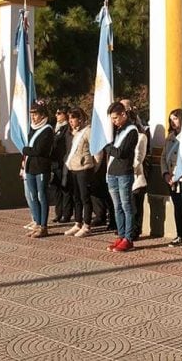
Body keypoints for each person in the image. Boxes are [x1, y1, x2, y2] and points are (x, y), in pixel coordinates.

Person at [105, 101, 138, 252]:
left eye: (116, 118)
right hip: (112, 173)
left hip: (124, 173)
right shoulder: (118, 131)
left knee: (126, 206)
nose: (114, 121)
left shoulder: (131, 131)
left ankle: (128, 238)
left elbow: (121, 153)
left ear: (123, 114)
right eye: (112, 119)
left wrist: (107, 147)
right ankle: (121, 234)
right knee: (117, 206)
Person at [63, 108, 97, 238]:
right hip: (73, 168)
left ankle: (87, 225)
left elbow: (96, 151)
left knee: (85, 197)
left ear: (80, 119)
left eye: (73, 118)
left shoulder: (88, 131)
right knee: (76, 197)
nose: (71, 121)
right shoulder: (75, 133)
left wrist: (92, 165)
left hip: (84, 169)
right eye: (69, 119)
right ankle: (78, 222)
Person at [22, 101, 53, 237]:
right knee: (33, 196)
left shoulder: (47, 129)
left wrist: (26, 150)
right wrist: (29, 151)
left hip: (41, 168)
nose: (33, 117)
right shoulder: (32, 129)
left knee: (42, 196)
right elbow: (31, 149)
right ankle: (37, 223)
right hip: (30, 168)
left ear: (42, 115)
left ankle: (43, 226)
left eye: (36, 114)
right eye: (32, 114)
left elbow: (39, 150)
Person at [162, 109, 182, 246]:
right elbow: (164, 157)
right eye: (171, 120)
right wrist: (165, 174)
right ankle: (179, 233)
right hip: (170, 176)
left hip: (181, 176)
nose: (173, 122)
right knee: (177, 206)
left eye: (175, 119)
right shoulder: (170, 137)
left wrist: (177, 174)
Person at [50, 107, 73, 224]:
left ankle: (66, 213)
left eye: (59, 113)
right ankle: (58, 213)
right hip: (54, 163)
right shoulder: (55, 127)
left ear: (65, 115)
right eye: (56, 113)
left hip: (63, 162)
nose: (56, 115)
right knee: (56, 189)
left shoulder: (67, 128)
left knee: (65, 188)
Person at [130, 108, 148, 242]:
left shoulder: (141, 136)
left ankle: (135, 230)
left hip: (136, 176)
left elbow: (139, 157)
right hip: (123, 176)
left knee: (135, 206)